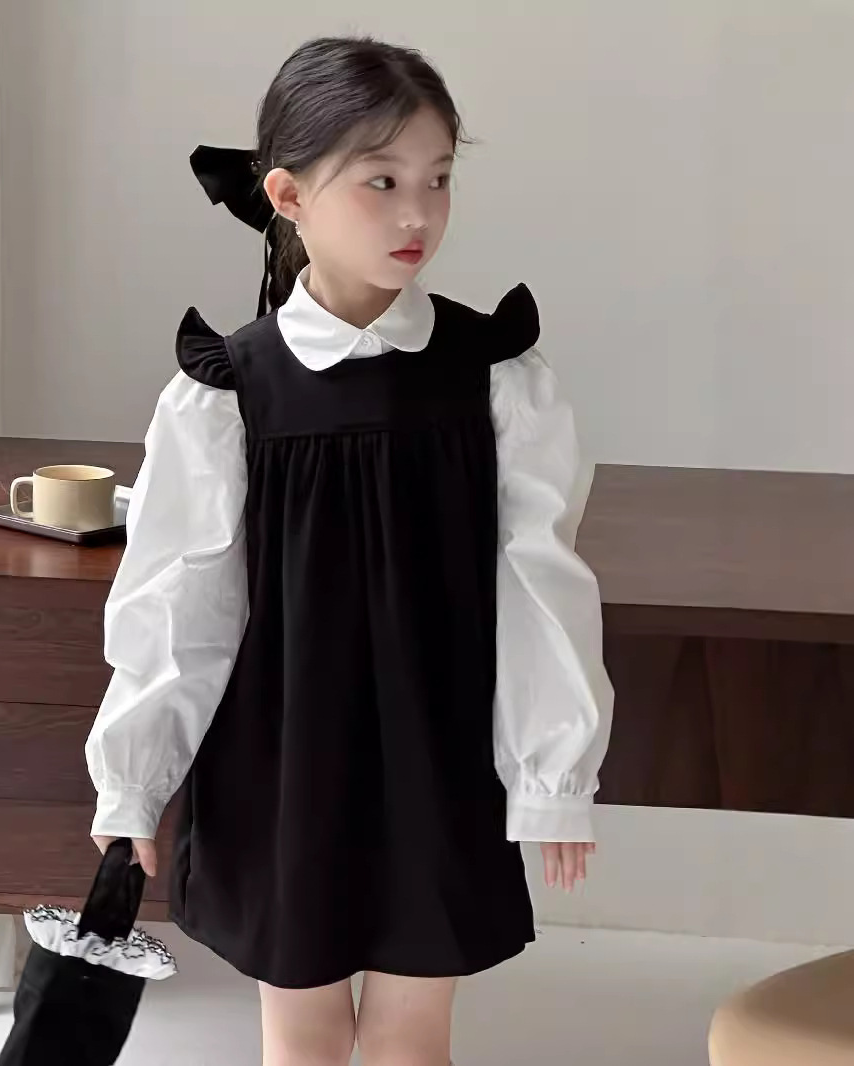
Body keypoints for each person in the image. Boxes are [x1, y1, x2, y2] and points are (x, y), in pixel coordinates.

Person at [87, 35, 613, 1066]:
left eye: (438, 179)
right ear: (288, 194)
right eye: (382, 181)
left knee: (413, 1040)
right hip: (280, 764)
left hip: (438, 753)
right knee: (303, 1038)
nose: (418, 213)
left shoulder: (493, 375)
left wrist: (553, 773)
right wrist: (133, 782)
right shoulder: (226, 394)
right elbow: (181, 605)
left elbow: (539, 580)